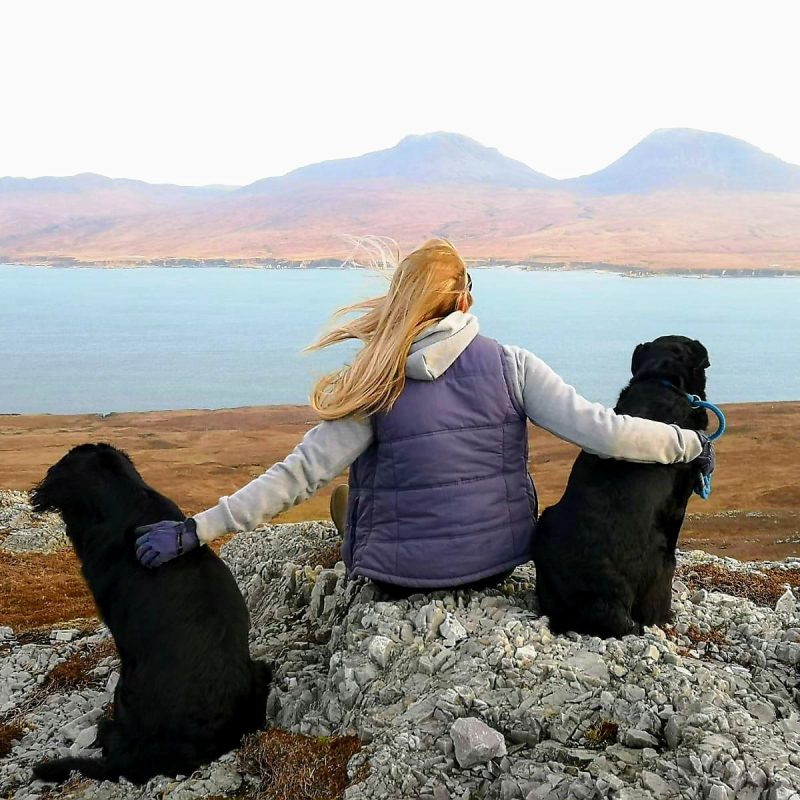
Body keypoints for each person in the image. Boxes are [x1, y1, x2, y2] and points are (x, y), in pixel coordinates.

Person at [135, 239, 714, 595]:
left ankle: (354, 524)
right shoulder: (513, 366)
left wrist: (196, 530)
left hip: (401, 581)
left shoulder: (377, 383)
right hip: (499, 562)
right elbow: (605, 433)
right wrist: (688, 444)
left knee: (343, 491)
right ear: (465, 299)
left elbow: (297, 475)